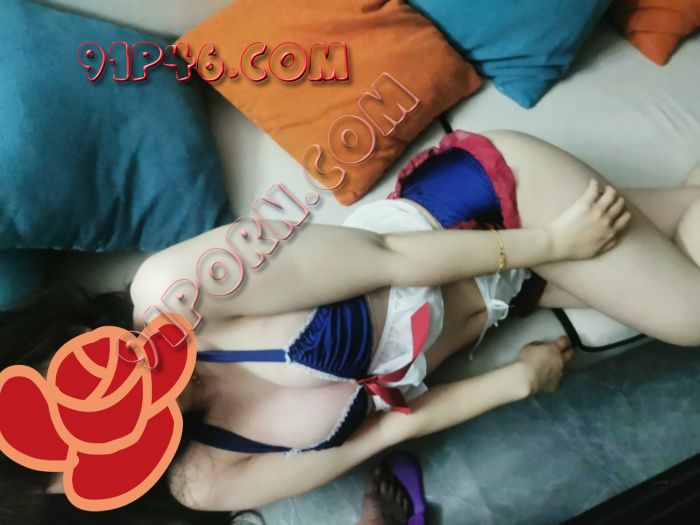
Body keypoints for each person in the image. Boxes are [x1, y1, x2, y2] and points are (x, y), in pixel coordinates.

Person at [3, 130, 700, 523]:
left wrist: (554, 242)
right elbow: (391, 429)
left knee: (689, 314)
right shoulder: (203, 481)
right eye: (73, 479)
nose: (101, 444)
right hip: (513, 297)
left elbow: (387, 253)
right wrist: (517, 381)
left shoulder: (179, 291)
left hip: (491, 212)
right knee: (683, 223)